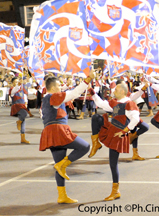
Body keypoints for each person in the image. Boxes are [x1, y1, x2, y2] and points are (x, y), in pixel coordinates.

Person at [39, 70, 94, 204]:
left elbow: (43, 116)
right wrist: (88, 79)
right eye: (59, 85)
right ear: (52, 88)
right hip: (58, 130)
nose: (61, 86)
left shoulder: (45, 100)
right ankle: (63, 165)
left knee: (59, 164)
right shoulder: (54, 96)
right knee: (85, 147)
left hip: (49, 132)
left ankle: (62, 195)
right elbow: (75, 93)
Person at [87, 82, 140, 201]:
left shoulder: (129, 103)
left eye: (116, 89)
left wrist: (125, 131)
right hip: (112, 129)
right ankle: (96, 143)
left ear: (122, 91)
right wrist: (92, 92)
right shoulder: (115, 102)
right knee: (96, 117)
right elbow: (101, 104)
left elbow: (135, 119)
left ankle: (116, 191)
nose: (113, 91)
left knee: (113, 163)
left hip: (118, 135)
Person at [9, 77, 30, 144]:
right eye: (15, 82)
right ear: (12, 83)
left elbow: (24, 97)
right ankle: (18, 122)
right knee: (24, 114)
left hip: (22, 105)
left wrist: (26, 102)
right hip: (16, 106)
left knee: (23, 121)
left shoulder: (21, 90)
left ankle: (23, 138)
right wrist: (19, 84)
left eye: (17, 81)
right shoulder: (12, 90)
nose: (17, 83)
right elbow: (15, 89)